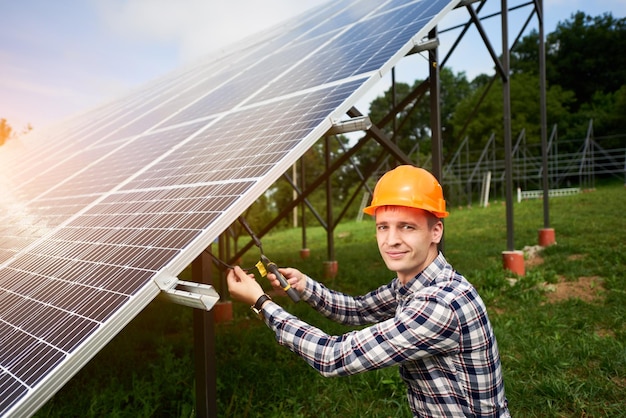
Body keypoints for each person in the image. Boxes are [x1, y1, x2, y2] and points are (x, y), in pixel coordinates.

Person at [227, 165, 510, 417]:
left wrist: (261, 303)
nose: (391, 240)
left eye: (407, 227)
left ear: (436, 231)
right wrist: (305, 285)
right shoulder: (418, 283)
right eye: (382, 227)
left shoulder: (439, 305)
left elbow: (332, 357)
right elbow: (359, 309)